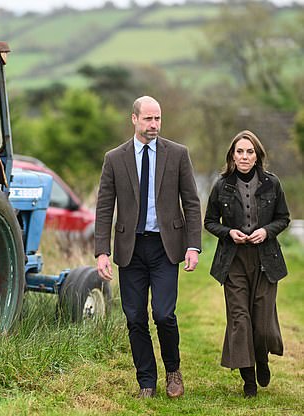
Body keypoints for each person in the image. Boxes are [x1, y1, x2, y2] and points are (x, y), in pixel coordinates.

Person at [95, 96, 202, 399]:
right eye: (148, 119)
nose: (154, 125)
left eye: (158, 119)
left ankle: (173, 371)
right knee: (134, 317)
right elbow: (104, 208)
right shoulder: (114, 158)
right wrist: (102, 251)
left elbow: (191, 203)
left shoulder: (178, 154)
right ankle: (146, 382)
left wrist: (193, 245)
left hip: (166, 247)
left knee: (164, 314)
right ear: (134, 119)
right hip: (130, 249)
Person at [204, 130, 290, 398]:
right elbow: (209, 222)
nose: (244, 156)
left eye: (249, 151)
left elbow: (283, 218)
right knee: (240, 320)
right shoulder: (221, 185)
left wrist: (267, 231)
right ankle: (248, 379)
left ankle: (262, 358)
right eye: (239, 151)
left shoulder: (272, 184)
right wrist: (229, 233)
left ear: (257, 156)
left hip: (266, 260)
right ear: (232, 155)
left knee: (262, 324)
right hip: (233, 261)